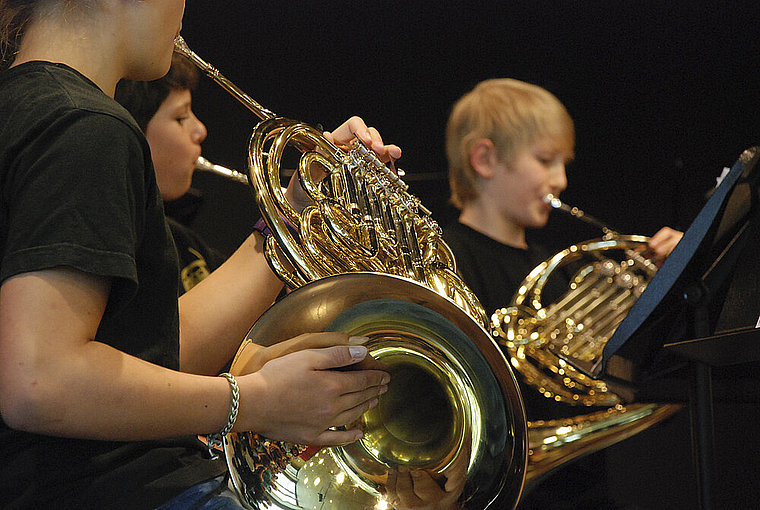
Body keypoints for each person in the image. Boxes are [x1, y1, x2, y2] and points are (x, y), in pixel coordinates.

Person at [0, 2, 401, 509]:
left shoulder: (34, 112)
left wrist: (298, 207)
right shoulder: (84, 125)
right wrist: (253, 401)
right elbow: (41, 382)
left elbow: (149, 354)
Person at [442, 78, 683, 509]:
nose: (561, 179)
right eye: (546, 160)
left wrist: (665, 284)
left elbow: (608, 380)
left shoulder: (556, 269)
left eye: (563, 163)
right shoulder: (447, 258)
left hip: (583, 483)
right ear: (485, 158)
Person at [115, 52, 225, 295]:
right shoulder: (121, 246)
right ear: (132, 134)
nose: (200, 130)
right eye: (181, 117)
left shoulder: (184, 243)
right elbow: (181, 331)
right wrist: (277, 229)